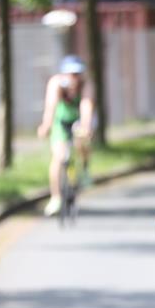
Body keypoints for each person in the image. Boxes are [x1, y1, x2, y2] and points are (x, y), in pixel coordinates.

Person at [37, 55, 94, 217]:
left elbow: (86, 105)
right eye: (71, 74)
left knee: (83, 141)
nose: (74, 78)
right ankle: (56, 197)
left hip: (77, 120)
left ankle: (84, 168)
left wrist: (86, 125)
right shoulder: (56, 84)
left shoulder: (86, 85)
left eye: (77, 74)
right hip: (60, 122)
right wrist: (46, 125)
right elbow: (51, 106)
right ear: (64, 74)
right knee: (59, 157)